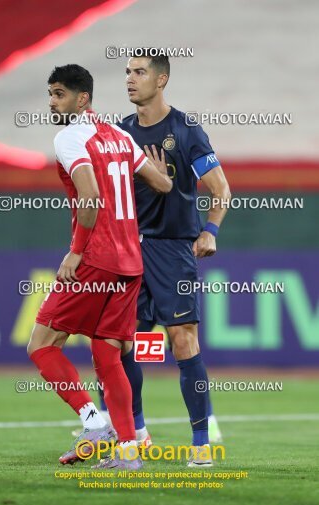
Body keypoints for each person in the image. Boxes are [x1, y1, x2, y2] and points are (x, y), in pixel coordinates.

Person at [27, 64, 172, 470]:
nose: (52, 102)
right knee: (108, 356)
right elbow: (162, 185)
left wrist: (76, 252)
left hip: (96, 260)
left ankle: (94, 422)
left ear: (82, 99)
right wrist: (157, 173)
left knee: (41, 344)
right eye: (50, 94)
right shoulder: (120, 136)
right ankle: (128, 453)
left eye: (58, 94)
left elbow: (89, 197)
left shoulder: (71, 137)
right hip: (130, 263)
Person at [105, 52, 231, 468]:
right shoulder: (119, 132)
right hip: (127, 251)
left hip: (172, 249)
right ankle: (135, 432)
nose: (129, 79)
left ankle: (200, 443)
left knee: (182, 341)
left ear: (161, 81)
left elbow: (220, 190)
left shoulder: (186, 129)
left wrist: (210, 231)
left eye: (139, 72)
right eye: (127, 72)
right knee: (126, 347)